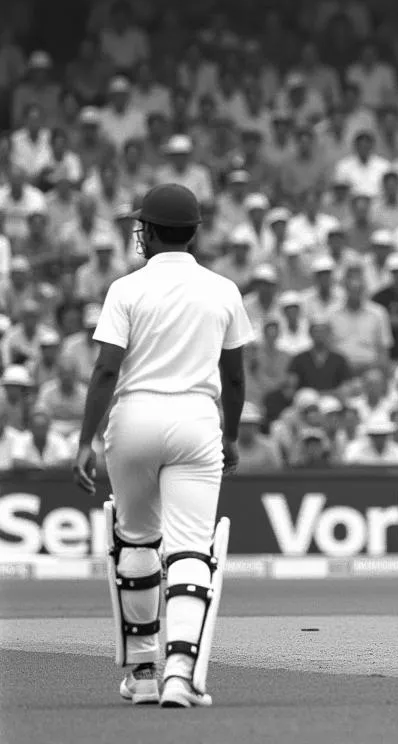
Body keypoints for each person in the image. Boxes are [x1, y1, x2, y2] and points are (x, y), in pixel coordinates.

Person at [71, 184, 254, 709]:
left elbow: (107, 369)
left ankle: (144, 671)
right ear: (193, 232)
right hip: (198, 419)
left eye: (140, 226)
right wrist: (232, 434)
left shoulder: (126, 289)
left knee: (135, 543)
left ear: (149, 232)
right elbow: (235, 378)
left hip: (134, 419)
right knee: (192, 548)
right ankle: (180, 674)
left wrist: (85, 441)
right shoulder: (223, 289)